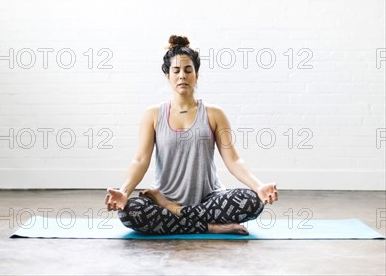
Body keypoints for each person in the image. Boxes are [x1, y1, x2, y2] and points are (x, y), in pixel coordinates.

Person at [105, 34, 279, 235]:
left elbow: (234, 160)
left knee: (253, 202)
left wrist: (259, 186)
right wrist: (124, 191)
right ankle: (208, 226)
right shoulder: (153, 115)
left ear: (196, 75)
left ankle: (175, 213)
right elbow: (140, 160)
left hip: (208, 199)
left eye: (188, 70)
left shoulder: (214, 114)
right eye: (176, 70)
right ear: (167, 76)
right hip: (165, 195)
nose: (182, 76)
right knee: (129, 212)